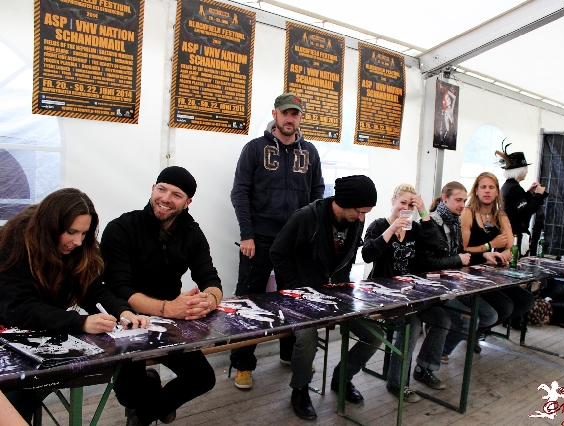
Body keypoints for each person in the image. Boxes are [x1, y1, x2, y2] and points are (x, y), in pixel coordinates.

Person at [0, 188, 149, 424]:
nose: (78, 241)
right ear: (51, 225)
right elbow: (19, 308)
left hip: (40, 336)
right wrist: (80, 322)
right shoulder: (15, 242)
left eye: (84, 233)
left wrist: (122, 310)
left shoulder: (79, 247)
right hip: (8, 340)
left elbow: (92, 288)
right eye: (71, 232)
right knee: (18, 398)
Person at [101, 166, 222, 426]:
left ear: (187, 202)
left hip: (169, 323)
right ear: (152, 189)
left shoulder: (192, 233)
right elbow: (120, 288)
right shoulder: (121, 228)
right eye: (162, 189)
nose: (166, 198)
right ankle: (149, 395)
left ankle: (144, 415)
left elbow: (211, 279)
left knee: (203, 378)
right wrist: (169, 308)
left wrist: (207, 301)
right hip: (126, 320)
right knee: (128, 394)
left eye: (176, 194)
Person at [230, 93, 324, 389]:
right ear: (275, 113)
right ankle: (243, 365)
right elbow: (240, 193)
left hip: (295, 243)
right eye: (286, 113)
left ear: (300, 117)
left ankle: (291, 355)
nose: (290, 119)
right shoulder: (254, 149)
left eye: (295, 114)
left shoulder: (310, 151)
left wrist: (310, 236)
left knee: (294, 300)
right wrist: (247, 234)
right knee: (249, 302)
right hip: (258, 240)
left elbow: (317, 195)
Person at [270, 175, 380, 420]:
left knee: (374, 335)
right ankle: (299, 389)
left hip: (338, 295)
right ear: (344, 202)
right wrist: (298, 288)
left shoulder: (356, 221)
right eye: (360, 211)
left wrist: (345, 290)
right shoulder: (306, 217)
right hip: (301, 296)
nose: (363, 218)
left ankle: (342, 378)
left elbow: (349, 257)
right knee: (307, 338)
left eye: (366, 213)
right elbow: (277, 253)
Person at [361, 183, 448, 403]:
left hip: (412, 294)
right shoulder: (379, 224)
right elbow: (367, 254)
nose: (406, 208)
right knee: (412, 325)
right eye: (402, 203)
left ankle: (425, 368)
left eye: (411, 204)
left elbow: (439, 247)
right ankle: (398, 382)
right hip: (383, 294)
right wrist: (391, 230)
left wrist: (424, 214)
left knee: (442, 319)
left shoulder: (416, 229)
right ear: (392, 201)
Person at [419, 181, 505, 361]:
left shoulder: (455, 222)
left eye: (464, 201)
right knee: (468, 321)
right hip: (436, 287)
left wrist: (484, 255)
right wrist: (459, 259)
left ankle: (441, 347)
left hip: (455, 284)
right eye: (458, 200)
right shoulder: (430, 224)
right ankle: (437, 353)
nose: (462, 205)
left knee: (490, 315)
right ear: (444, 198)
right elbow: (428, 263)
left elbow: (462, 255)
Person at [462, 172, 535, 332]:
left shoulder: (501, 216)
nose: (487, 191)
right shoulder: (468, 213)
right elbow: (463, 250)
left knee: (526, 300)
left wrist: (501, 256)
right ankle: (470, 330)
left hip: (495, 272)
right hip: (471, 274)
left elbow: (511, 247)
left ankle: (479, 329)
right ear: (476, 191)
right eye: (483, 187)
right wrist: (490, 246)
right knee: (505, 307)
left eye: (491, 187)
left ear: (497, 192)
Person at [496, 143, 547, 255]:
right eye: (525, 169)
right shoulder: (514, 188)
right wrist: (538, 195)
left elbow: (517, 205)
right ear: (521, 170)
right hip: (514, 235)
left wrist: (529, 193)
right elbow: (525, 212)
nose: (527, 172)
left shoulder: (508, 186)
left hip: (509, 232)